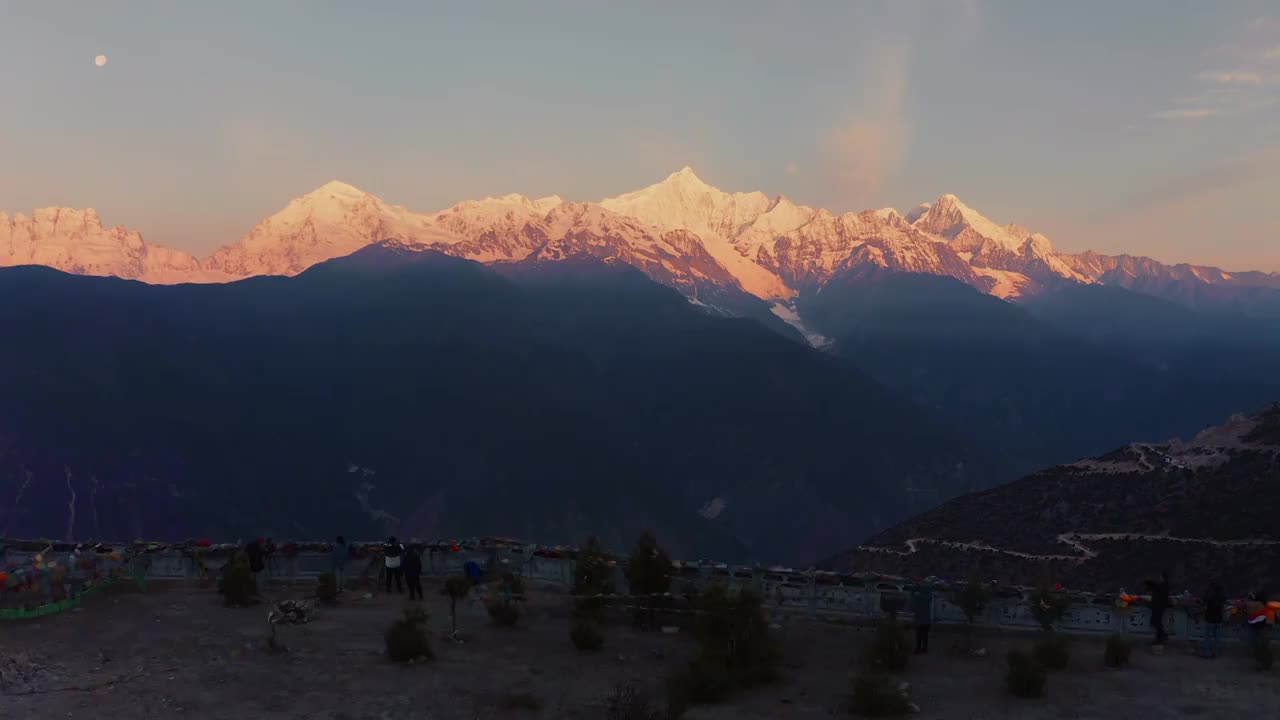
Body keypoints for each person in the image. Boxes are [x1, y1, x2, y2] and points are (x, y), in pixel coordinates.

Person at [1201, 581, 1225, 658]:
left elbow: (1203, 599)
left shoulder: (1209, 596)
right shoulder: (1222, 596)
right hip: (1219, 619)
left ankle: (1206, 653)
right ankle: (1216, 654)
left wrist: (1206, 592)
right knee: (1217, 638)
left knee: (1207, 637)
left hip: (1209, 619)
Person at [1146, 569, 1170, 645]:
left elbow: (1155, 586)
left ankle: (1162, 635)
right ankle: (1160, 638)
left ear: (1162, 577)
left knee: (1155, 622)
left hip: (1158, 607)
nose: (1159, 577)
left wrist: (1149, 581)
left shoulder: (1164, 585)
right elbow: (1155, 587)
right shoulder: (1164, 585)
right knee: (1157, 622)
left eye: (1160, 576)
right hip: (1159, 606)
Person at [910, 584, 935, 655]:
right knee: (924, 635)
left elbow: (912, 596)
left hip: (920, 618)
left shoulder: (918, 595)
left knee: (920, 635)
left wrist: (915, 590)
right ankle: (923, 649)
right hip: (925, 618)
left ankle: (919, 649)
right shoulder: (927, 596)